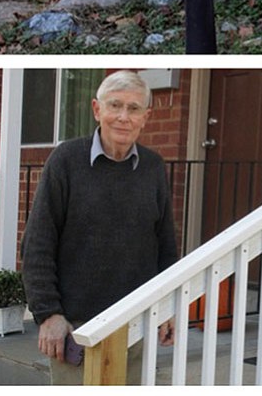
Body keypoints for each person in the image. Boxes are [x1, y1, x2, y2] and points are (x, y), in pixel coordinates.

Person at [22, 70, 178, 385]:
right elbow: (38, 242)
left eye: (134, 109)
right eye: (115, 106)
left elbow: (165, 245)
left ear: (146, 117)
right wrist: (48, 313)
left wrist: (167, 305)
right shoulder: (66, 160)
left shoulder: (153, 167)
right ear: (97, 110)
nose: (123, 117)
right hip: (75, 328)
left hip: (135, 325)